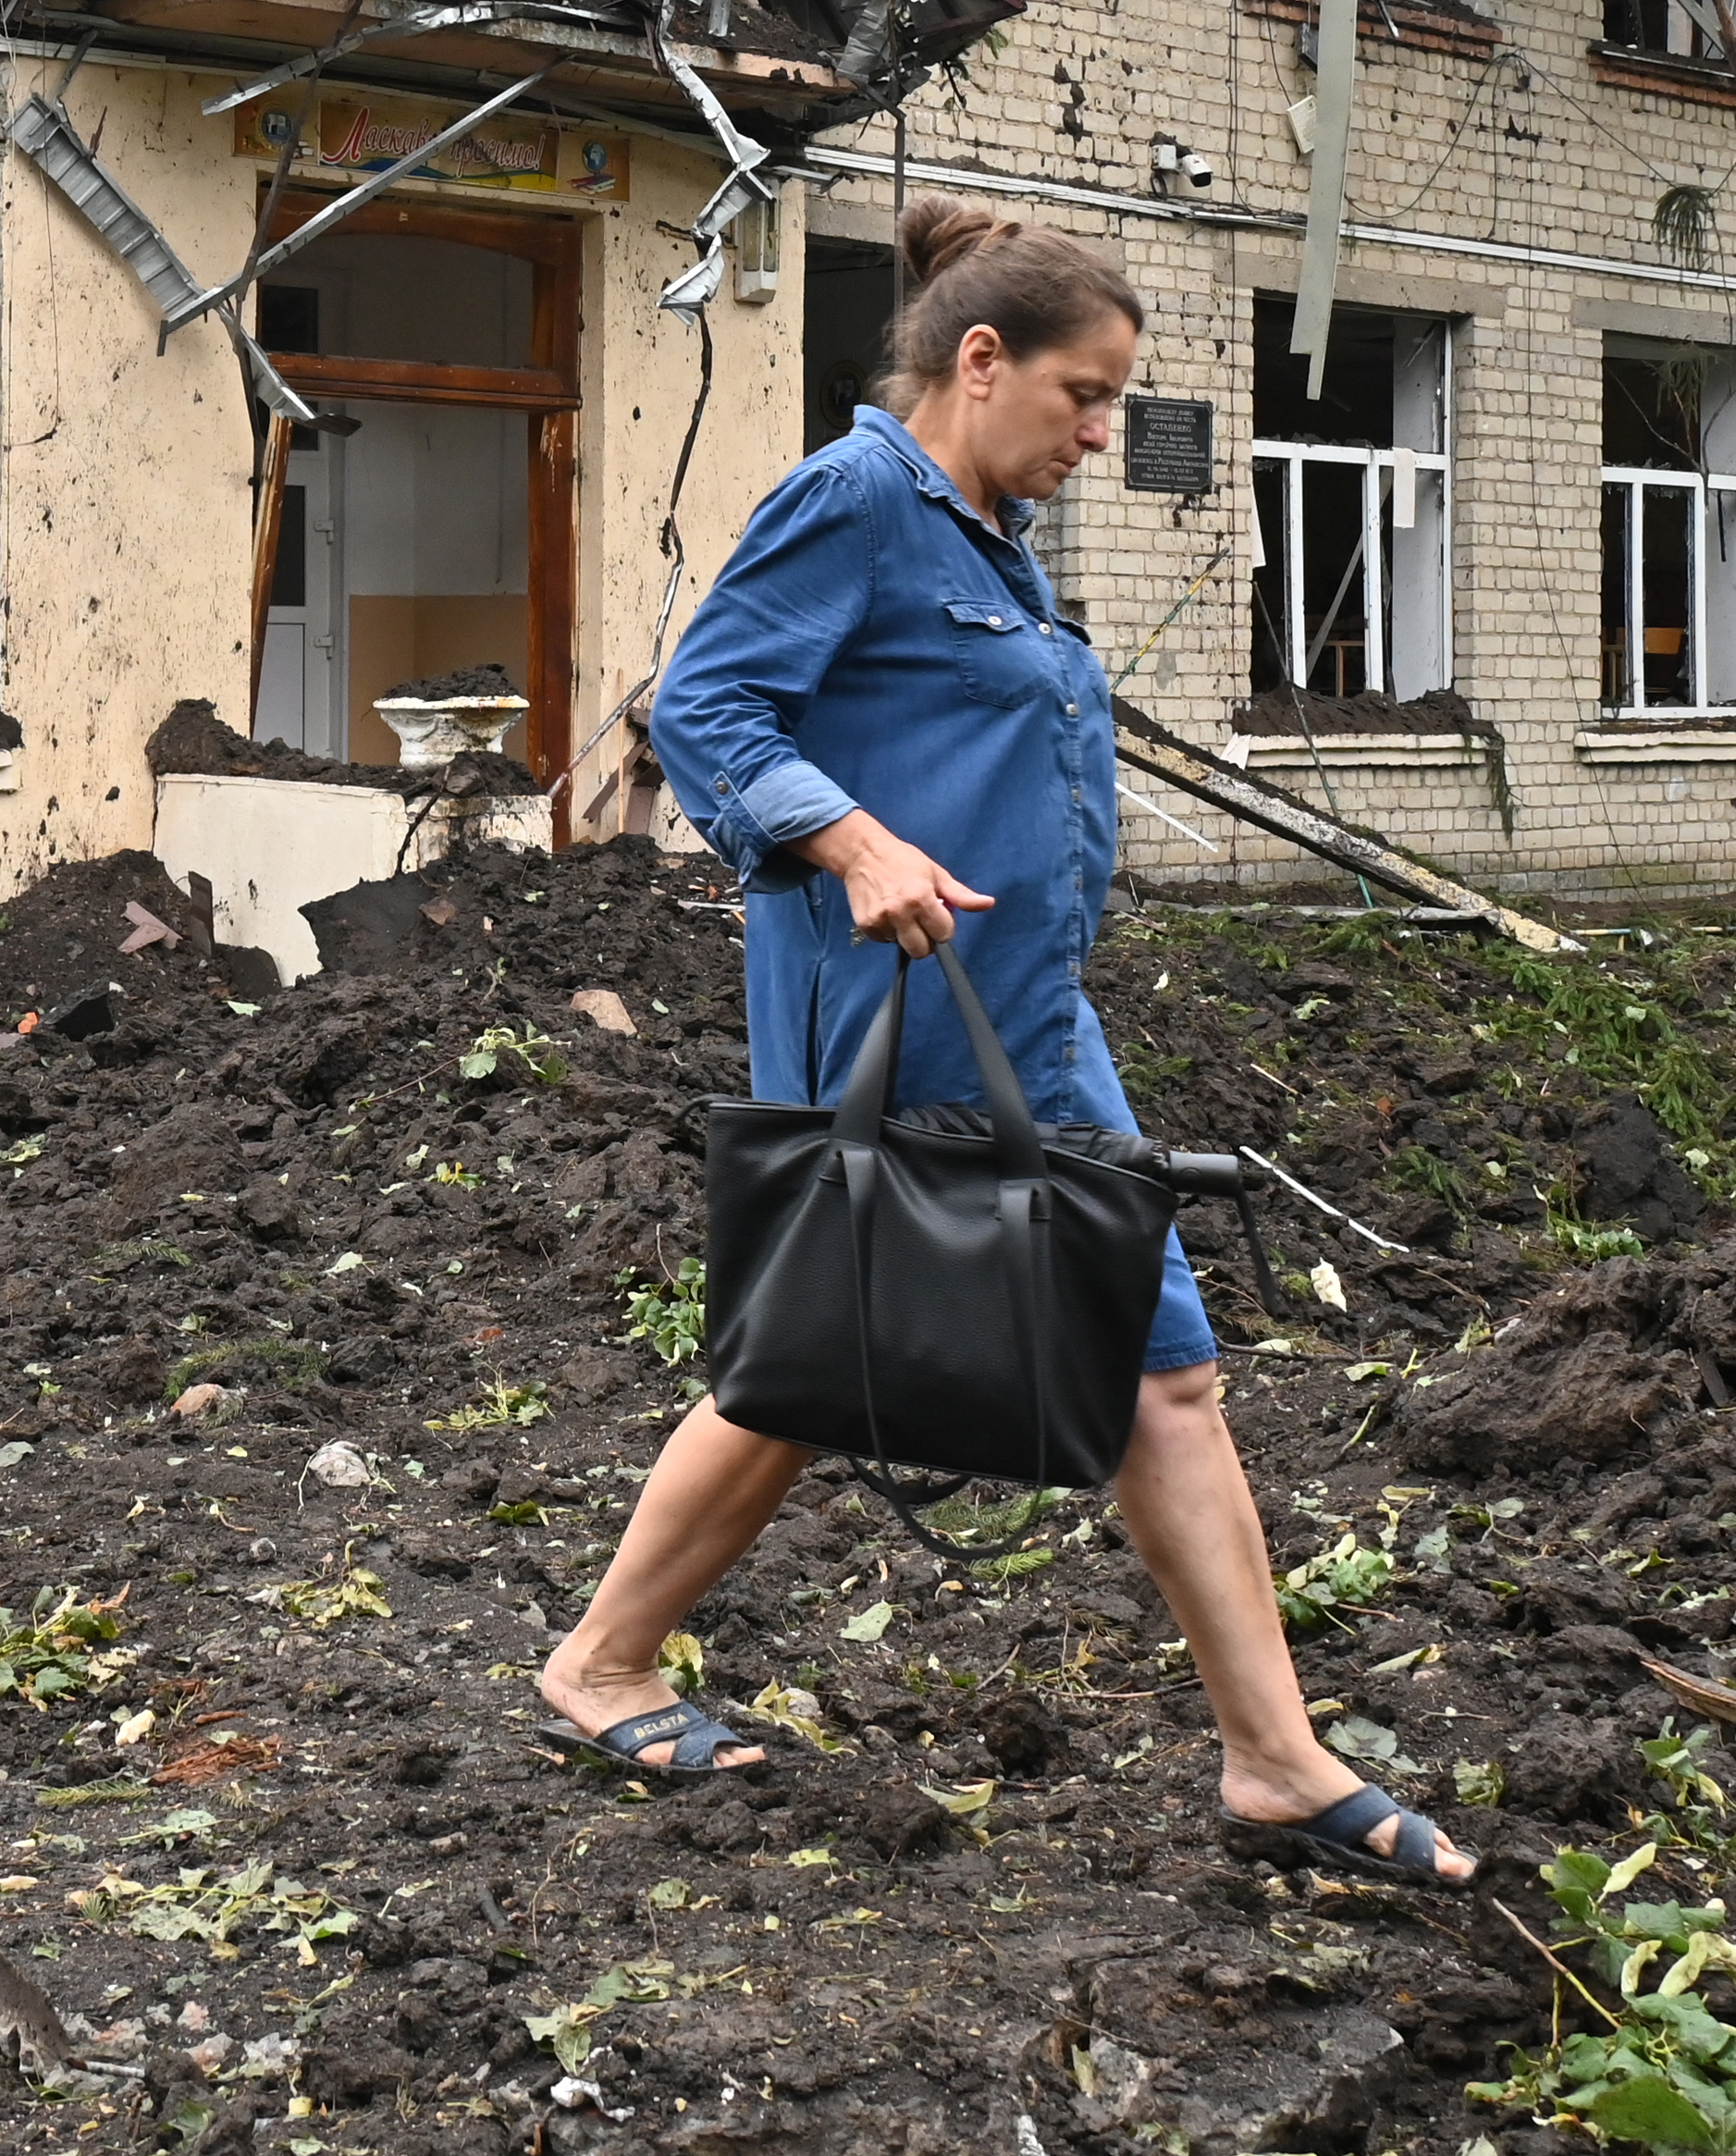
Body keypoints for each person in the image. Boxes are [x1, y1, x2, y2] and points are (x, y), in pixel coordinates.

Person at [542, 201, 1472, 1883]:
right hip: (895, 1011)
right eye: (1085, 397)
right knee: (818, 1355)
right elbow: (702, 710)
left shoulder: (983, 533)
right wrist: (854, 839)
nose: (1104, 437)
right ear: (981, 362)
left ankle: (1272, 1757)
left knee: (1153, 1364)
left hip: (1023, 1018)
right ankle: (601, 1662)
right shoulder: (859, 500)